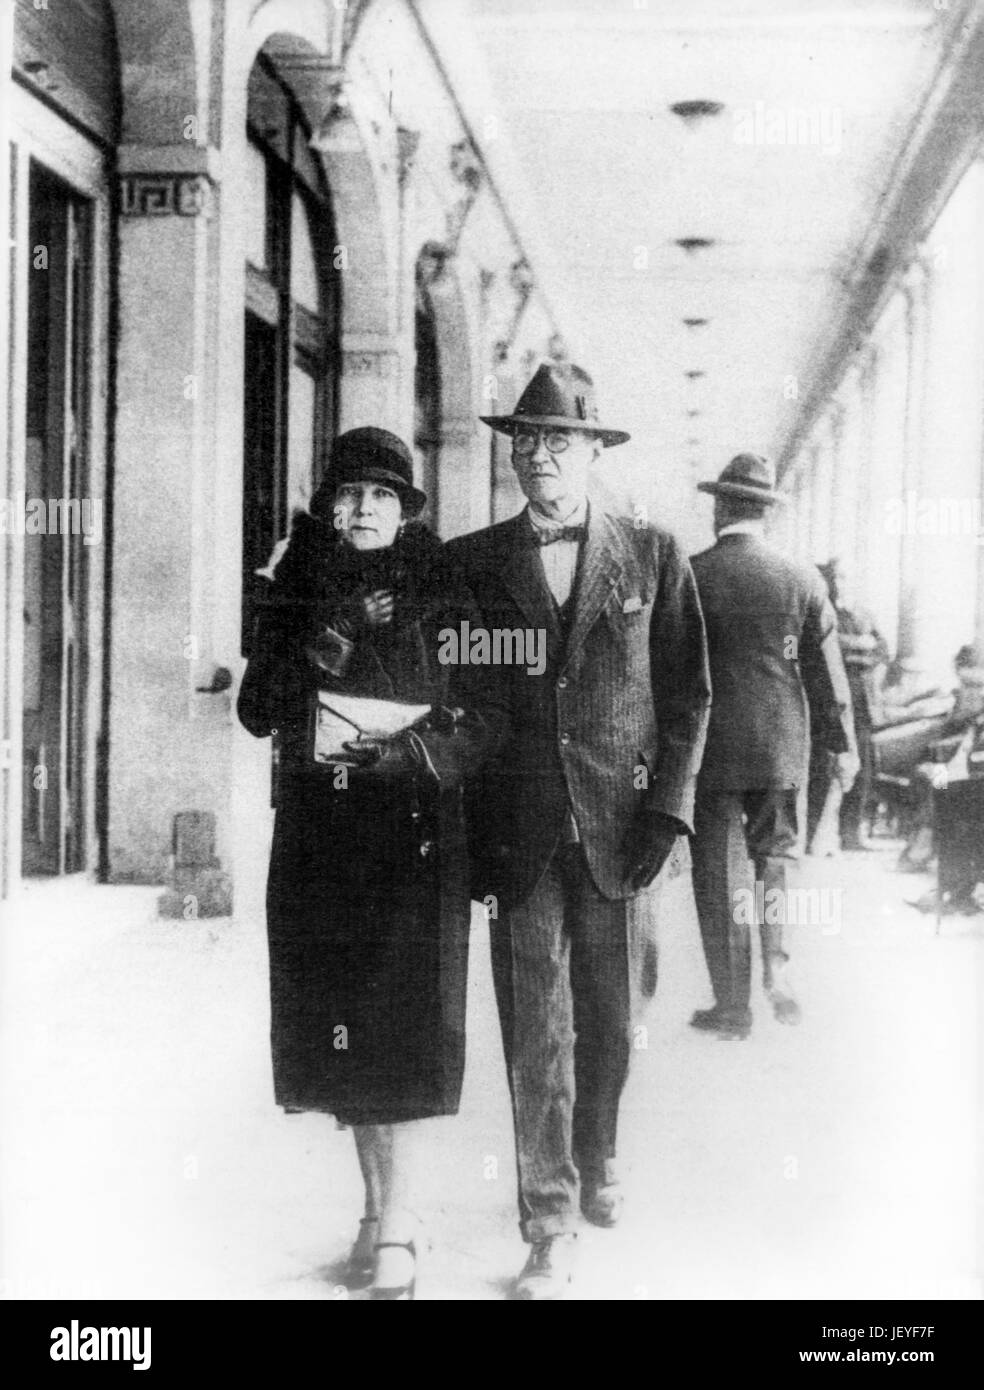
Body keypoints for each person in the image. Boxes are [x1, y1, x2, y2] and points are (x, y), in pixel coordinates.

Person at [447, 363, 711, 1300]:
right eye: (525, 440)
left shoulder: (652, 554)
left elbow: (687, 698)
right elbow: (458, 697)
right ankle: (548, 1220)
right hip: (518, 834)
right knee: (537, 1031)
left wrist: (670, 813)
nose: (539, 456)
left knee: (613, 1020)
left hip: (622, 829)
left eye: (558, 440)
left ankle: (598, 1151)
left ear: (594, 452)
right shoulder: (471, 563)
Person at [237, 427, 505, 1300]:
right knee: (344, 1026)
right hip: (321, 839)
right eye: (348, 495)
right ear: (328, 505)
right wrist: (333, 636)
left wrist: (414, 758)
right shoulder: (293, 587)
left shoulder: (448, 585)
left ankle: (399, 1226)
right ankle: (375, 1211)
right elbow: (256, 708)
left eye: (381, 497)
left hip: (417, 837)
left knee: (406, 1026)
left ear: (407, 510)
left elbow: (484, 712)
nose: (362, 511)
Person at [688, 453, 857, 1040]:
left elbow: (668, 672)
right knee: (774, 862)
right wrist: (844, 749)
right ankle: (776, 969)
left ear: (720, 506)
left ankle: (732, 1005)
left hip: (709, 752)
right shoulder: (804, 578)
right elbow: (827, 680)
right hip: (782, 749)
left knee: (718, 874)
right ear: (764, 510)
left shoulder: (691, 573)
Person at [807, 558, 889, 852]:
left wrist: (856, 652)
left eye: (846, 577)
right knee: (821, 768)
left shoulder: (862, 613)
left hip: (862, 703)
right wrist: (860, 645)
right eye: (837, 576)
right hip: (829, 702)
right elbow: (823, 645)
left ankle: (851, 834)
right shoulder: (821, 608)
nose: (842, 582)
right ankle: (808, 837)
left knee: (864, 768)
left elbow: (882, 649)